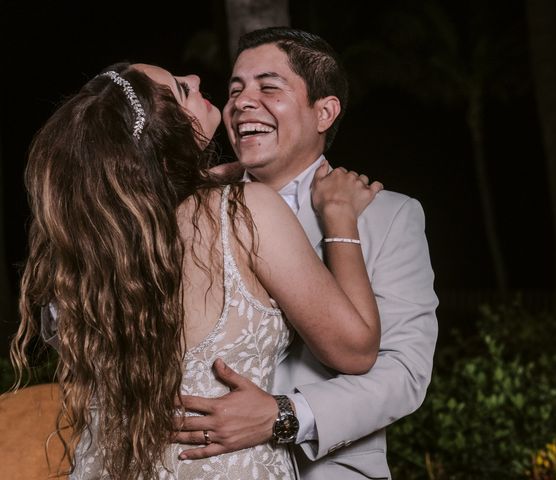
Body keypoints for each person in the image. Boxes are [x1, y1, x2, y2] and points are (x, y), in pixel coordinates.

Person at [10, 61, 384, 479]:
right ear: (166, 133)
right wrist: (339, 218)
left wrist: (192, 179)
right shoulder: (245, 214)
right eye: (182, 89)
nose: (197, 80)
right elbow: (356, 350)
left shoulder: (85, 249)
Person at [173, 27, 439, 479]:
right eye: (235, 90)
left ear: (325, 112)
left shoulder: (389, 215)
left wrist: (283, 416)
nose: (241, 102)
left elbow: (404, 373)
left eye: (268, 87)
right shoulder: (191, 208)